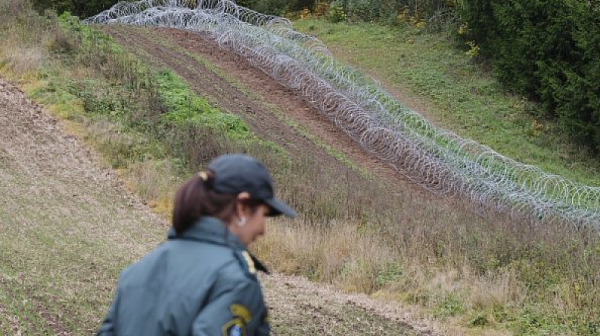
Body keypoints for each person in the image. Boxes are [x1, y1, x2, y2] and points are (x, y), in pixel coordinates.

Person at [97, 153, 296, 336]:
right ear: (242, 207)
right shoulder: (235, 280)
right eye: (264, 215)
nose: (262, 230)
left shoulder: (141, 268)